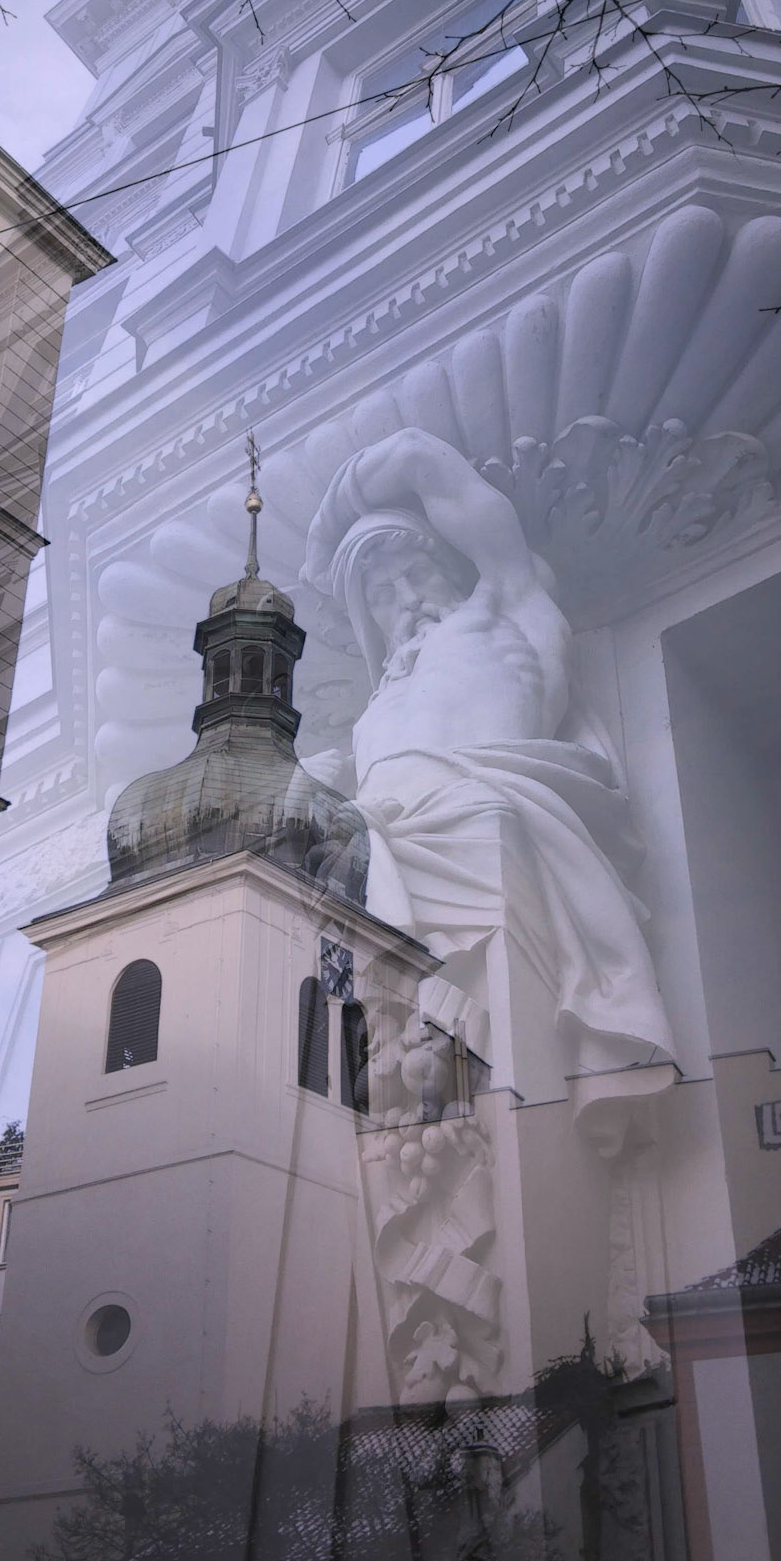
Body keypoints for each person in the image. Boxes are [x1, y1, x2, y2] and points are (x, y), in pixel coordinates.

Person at [303, 428, 671, 1088]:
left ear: (452, 565)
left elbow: (418, 453)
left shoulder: (505, 607)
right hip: (378, 855)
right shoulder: (377, 701)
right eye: (381, 594)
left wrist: (326, 525)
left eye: (414, 572)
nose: (404, 596)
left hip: (475, 824)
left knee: (486, 1024)